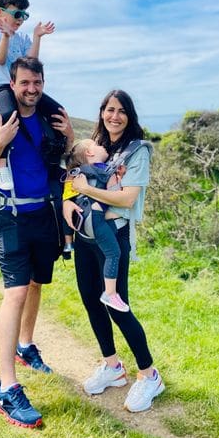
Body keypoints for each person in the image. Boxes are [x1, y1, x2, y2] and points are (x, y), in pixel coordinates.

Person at [0, 56, 74, 428]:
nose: (31, 89)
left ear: (43, 83)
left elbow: (61, 164)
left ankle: (25, 346)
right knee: (15, 292)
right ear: (12, 84)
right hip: (9, 216)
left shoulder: (48, 119)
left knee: (36, 283)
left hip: (43, 215)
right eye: (25, 83)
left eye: (37, 83)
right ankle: (6, 386)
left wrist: (71, 141)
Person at [63, 90, 165, 413]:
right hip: (85, 236)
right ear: (102, 112)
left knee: (117, 306)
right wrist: (67, 204)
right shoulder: (96, 144)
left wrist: (87, 191)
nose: (114, 116)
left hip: (113, 239)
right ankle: (113, 367)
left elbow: (127, 198)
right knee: (91, 301)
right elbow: (72, 179)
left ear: (129, 115)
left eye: (121, 111)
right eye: (110, 109)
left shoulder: (137, 152)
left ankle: (149, 375)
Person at [0, 0, 62, 191]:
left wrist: (37, 37)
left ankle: (55, 153)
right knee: (9, 114)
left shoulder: (24, 38)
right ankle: (1, 163)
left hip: (23, 87)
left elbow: (31, 63)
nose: (20, 19)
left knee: (57, 111)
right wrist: (6, 36)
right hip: (3, 87)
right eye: (17, 13)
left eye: (24, 15)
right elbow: (0, 60)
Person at [64, 138, 130, 313]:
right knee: (113, 253)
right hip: (96, 220)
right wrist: (120, 177)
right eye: (97, 145)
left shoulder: (79, 172)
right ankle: (110, 293)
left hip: (86, 223)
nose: (102, 146)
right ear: (90, 153)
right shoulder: (100, 170)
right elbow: (115, 193)